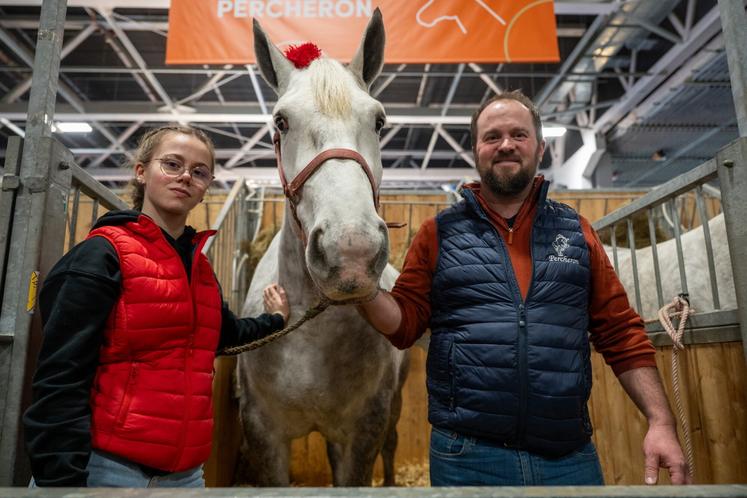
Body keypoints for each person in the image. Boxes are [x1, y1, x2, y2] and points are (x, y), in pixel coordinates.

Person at [357, 90, 690, 486]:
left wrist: (660, 421)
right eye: (492, 136)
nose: (506, 145)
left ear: (540, 148)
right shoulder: (438, 234)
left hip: (568, 457)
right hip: (467, 457)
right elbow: (404, 325)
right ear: (477, 149)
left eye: (519, 134)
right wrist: (361, 288)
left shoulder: (576, 232)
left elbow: (620, 332)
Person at [23, 125, 290, 488]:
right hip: (105, 472)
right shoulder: (101, 255)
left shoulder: (199, 268)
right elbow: (61, 376)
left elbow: (222, 335)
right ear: (141, 171)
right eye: (172, 164)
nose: (185, 177)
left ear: (205, 188)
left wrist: (275, 319)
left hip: (185, 476)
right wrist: (62, 482)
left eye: (199, 172)